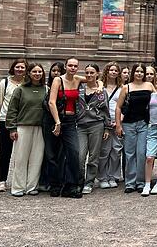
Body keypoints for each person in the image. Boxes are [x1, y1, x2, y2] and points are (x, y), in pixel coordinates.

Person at [5, 63, 47, 196]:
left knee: (37, 158)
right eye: (34, 71)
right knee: (21, 157)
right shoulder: (20, 89)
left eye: (39, 71)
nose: (37, 74)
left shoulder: (46, 89)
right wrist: (12, 128)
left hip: (40, 127)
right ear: (29, 73)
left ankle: (31, 186)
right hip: (23, 126)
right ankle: (18, 187)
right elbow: (12, 110)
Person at [47, 57, 85, 198]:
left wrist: (99, 85)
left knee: (74, 153)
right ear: (66, 66)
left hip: (71, 121)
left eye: (75, 66)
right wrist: (57, 122)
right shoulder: (58, 80)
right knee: (54, 154)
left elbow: (95, 79)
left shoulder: (77, 79)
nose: (73, 68)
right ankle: (55, 185)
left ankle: (71, 186)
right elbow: (52, 102)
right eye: (70, 65)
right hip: (57, 119)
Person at [115, 63, 155, 194]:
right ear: (133, 72)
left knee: (141, 153)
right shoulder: (126, 88)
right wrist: (118, 125)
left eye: (141, 72)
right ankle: (130, 182)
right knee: (130, 154)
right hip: (129, 124)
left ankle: (141, 182)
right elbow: (118, 107)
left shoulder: (149, 86)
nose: (139, 74)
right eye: (137, 71)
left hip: (143, 123)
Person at [0, 58, 27, 192]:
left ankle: (20, 180)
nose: (20, 69)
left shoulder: (28, 84)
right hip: (4, 121)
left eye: (22, 67)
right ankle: (2, 180)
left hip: (23, 122)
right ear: (13, 68)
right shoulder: (5, 83)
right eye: (17, 67)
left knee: (21, 153)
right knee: (5, 152)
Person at [76, 64, 111, 195]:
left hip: (96, 125)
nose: (89, 75)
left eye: (92, 73)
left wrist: (107, 128)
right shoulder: (79, 88)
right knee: (80, 155)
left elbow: (106, 109)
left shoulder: (102, 91)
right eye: (87, 73)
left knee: (93, 156)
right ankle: (79, 181)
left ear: (97, 73)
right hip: (81, 125)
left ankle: (89, 182)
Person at [98, 62, 124, 189]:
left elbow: (124, 107)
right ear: (106, 71)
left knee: (116, 151)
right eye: (111, 70)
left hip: (117, 122)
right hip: (103, 123)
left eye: (115, 70)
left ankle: (113, 176)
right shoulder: (100, 87)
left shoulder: (122, 88)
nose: (113, 72)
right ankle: (102, 177)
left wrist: (119, 122)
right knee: (104, 151)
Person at [40, 62, 64, 192]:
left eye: (59, 71)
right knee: (49, 153)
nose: (56, 73)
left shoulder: (67, 86)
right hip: (48, 122)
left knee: (60, 153)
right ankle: (48, 180)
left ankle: (58, 181)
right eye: (53, 70)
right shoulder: (46, 88)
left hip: (63, 121)